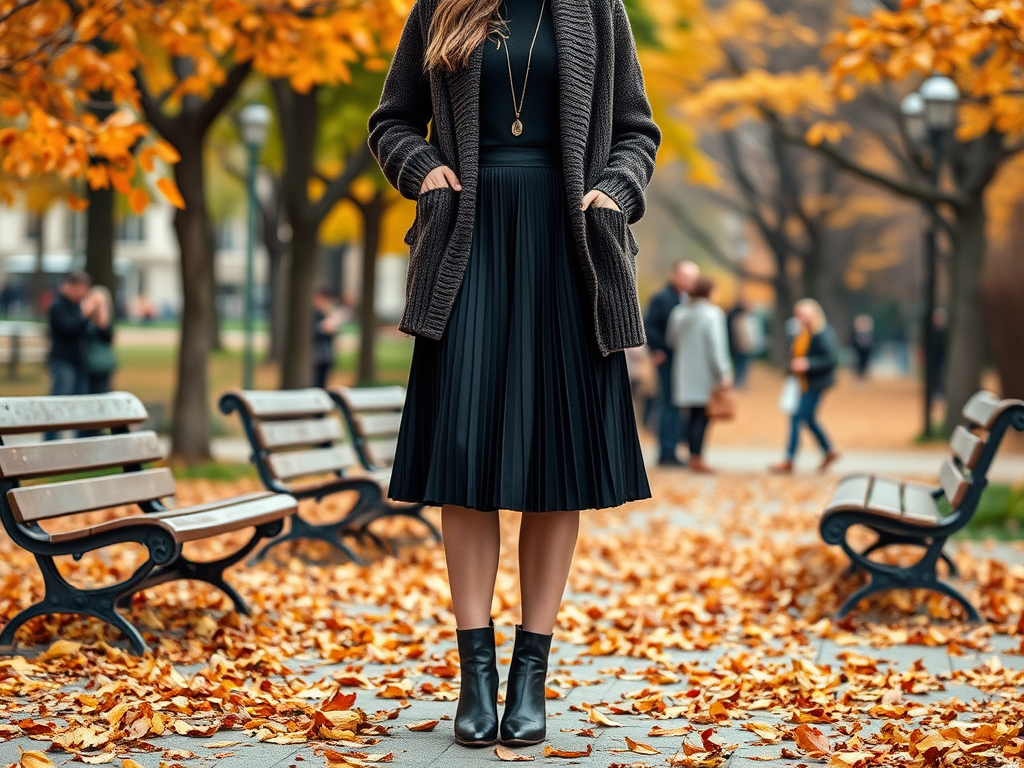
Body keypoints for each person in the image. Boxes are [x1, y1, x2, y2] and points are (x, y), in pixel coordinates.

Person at [368, 0, 659, 748]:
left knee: (555, 457)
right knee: (464, 452)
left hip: (569, 250)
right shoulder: (441, 6)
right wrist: (422, 168)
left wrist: (616, 191)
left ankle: (532, 674)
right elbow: (390, 121)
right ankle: (476, 676)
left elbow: (636, 131)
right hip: (468, 242)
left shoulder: (597, 10)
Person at [666, 277, 732, 473]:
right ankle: (697, 457)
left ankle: (691, 454)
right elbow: (716, 347)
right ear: (709, 292)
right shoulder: (712, 314)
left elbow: (671, 341)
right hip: (706, 373)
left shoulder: (679, 313)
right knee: (703, 416)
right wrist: (723, 372)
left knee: (691, 414)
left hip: (684, 371)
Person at [771, 298, 840, 474]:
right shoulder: (802, 334)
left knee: (796, 417)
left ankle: (789, 459)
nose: (800, 318)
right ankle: (829, 451)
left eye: (803, 315)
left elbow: (831, 359)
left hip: (816, 382)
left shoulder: (822, 333)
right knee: (808, 419)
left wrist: (808, 364)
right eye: (798, 315)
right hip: (803, 382)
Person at [644, 260, 699, 466]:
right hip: (667, 360)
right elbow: (648, 326)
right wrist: (658, 350)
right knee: (668, 404)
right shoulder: (662, 298)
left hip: (685, 362)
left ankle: (674, 448)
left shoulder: (691, 300)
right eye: (686, 276)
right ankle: (666, 452)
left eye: (693, 277)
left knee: (678, 406)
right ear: (675, 275)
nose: (690, 281)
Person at [46, 271, 98, 439]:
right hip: (62, 360)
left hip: (78, 361)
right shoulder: (58, 306)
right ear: (71, 286)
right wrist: (85, 315)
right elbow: (69, 329)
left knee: (79, 402)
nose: (83, 293)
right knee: (59, 401)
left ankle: (79, 439)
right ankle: (51, 439)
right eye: (81, 289)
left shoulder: (75, 306)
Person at [312, 287, 348, 389]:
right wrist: (322, 328)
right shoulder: (313, 313)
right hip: (316, 355)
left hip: (326, 355)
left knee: (322, 382)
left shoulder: (327, 313)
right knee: (315, 382)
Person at [84, 286, 116, 395]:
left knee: (100, 391)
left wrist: (102, 316)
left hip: (100, 364)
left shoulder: (105, 322)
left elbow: (107, 337)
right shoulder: (83, 319)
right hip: (84, 363)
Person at [726, 300, 757, 389]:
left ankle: (740, 382)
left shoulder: (741, 319)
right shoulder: (740, 320)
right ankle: (739, 382)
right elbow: (742, 335)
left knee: (743, 365)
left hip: (743, 346)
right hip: (742, 347)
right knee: (741, 365)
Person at [850, 313, 873, 380]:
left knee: (864, 364)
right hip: (858, 350)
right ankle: (858, 377)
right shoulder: (856, 332)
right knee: (857, 364)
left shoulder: (868, 332)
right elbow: (852, 341)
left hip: (866, 350)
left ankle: (862, 377)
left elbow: (871, 342)